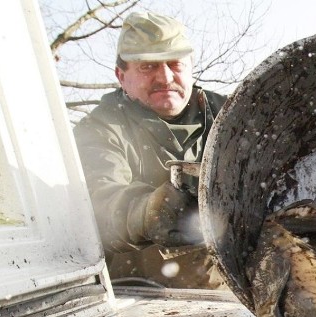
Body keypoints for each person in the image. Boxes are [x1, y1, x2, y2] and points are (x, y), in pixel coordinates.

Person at [74, 11, 228, 289]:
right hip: (141, 302)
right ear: (121, 76)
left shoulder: (231, 117)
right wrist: (147, 212)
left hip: (232, 298)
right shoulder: (100, 129)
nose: (165, 77)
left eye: (174, 64)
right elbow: (99, 203)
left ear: (190, 66)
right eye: (147, 67)